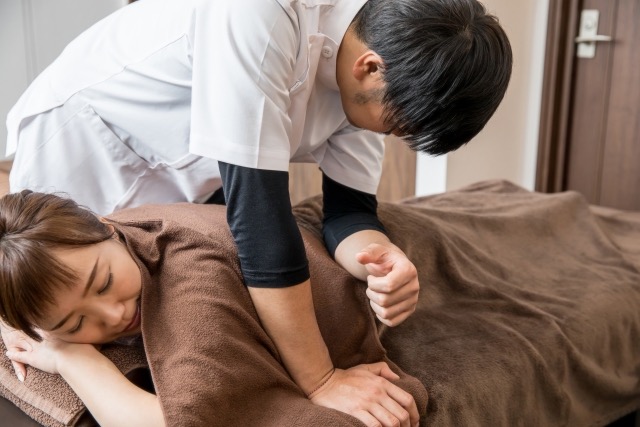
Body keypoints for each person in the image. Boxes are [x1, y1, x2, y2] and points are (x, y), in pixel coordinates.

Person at [4, 0, 512, 424]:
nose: (394, 135)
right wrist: (321, 380)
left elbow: (349, 212)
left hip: (194, 181)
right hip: (85, 144)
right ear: (371, 66)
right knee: (42, 295)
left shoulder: (364, 80)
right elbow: (262, 226)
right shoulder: (258, 15)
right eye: (398, 125)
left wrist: (381, 258)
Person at [0, 190, 419, 427]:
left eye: (105, 282)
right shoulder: (98, 245)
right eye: (75, 322)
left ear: (107, 227)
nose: (113, 316)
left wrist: (72, 356)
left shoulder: (190, 280)